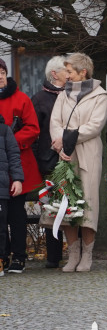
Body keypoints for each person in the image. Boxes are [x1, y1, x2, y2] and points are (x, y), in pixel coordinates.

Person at [47, 53, 107, 272]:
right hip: (65, 155)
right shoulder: (63, 95)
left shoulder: (100, 95)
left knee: (88, 204)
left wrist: (67, 137)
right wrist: (60, 144)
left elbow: (95, 125)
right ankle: (73, 254)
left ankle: (87, 255)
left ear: (83, 72)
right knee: (67, 204)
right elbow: (55, 121)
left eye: (70, 72)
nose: (67, 76)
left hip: (87, 155)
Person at [0, 58, 42, 274]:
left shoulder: (21, 98)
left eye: (1, 72)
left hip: (17, 165)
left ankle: (19, 256)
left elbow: (33, 128)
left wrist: (8, 142)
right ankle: (2, 256)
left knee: (16, 215)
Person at [31, 55, 68, 268]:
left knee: (76, 207)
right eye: (66, 70)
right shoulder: (39, 100)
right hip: (49, 164)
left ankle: (77, 251)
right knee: (52, 209)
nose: (69, 73)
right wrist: (41, 161)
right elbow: (34, 135)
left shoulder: (74, 96)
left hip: (72, 160)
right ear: (54, 74)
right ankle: (54, 257)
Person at [0, 109, 24, 277]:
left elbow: (14, 156)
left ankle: (1, 260)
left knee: (0, 227)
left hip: (1, 187)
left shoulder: (4, 130)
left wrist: (17, 179)